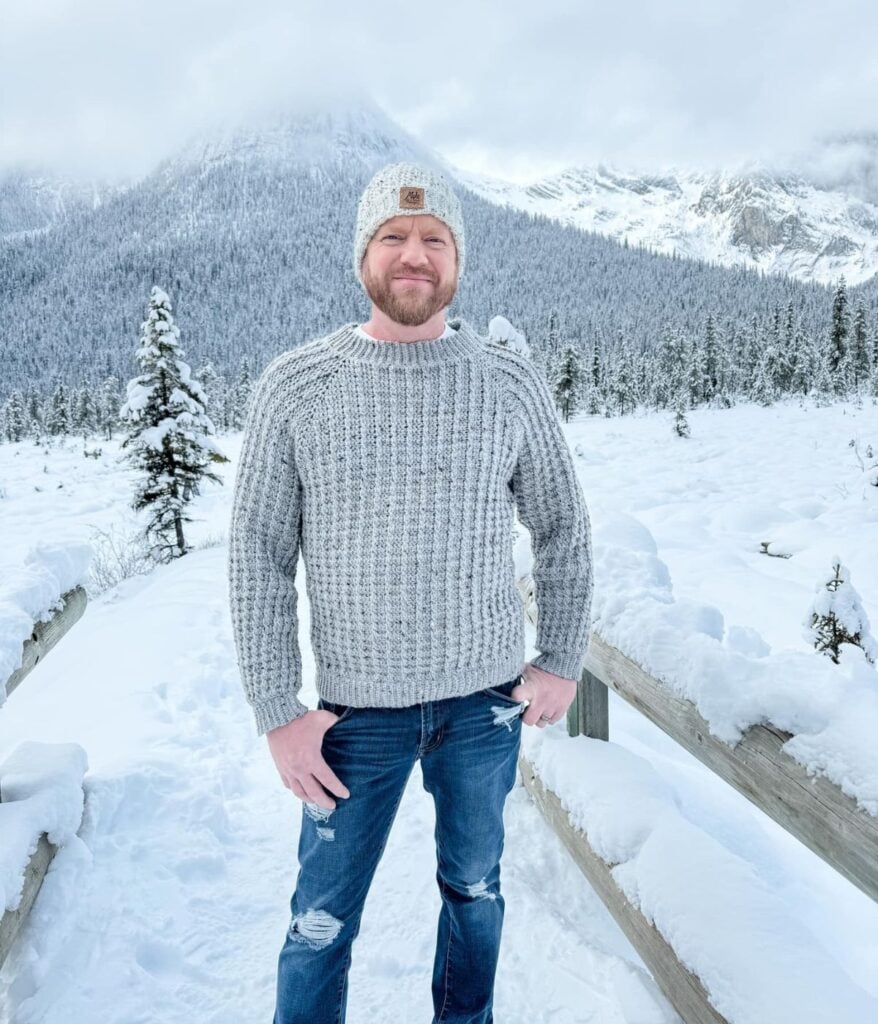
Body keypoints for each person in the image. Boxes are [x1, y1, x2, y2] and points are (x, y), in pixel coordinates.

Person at [227, 161, 594, 1024]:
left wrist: (561, 658)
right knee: (320, 924)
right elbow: (257, 555)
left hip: (484, 705)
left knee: (475, 890)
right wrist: (277, 711)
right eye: (393, 236)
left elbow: (563, 527)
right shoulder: (297, 386)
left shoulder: (507, 382)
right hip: (356, 717)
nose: (414, 254)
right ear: (364, 255)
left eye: (435, 239)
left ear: (457, 260)